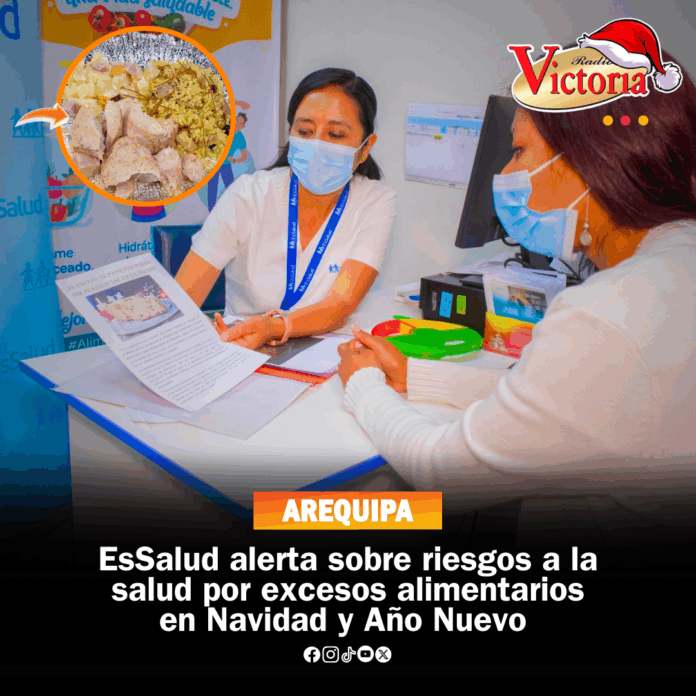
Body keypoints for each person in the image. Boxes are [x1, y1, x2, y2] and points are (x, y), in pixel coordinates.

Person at [336, 51, 696, 541]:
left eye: (519, 150)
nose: (505, 172)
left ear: (588, 161)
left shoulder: (608, 315)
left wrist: (362, 384)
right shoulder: (672, 268)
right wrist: (416, 376)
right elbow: (569, 400)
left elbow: (442, 471)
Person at [176, 68, 397, 350]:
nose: (317, 144)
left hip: (323, 352)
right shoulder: (249, 194)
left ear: (365, 148)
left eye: (336, 134)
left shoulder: (375, 200)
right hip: (241, 348)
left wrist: (274, 327)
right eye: (305, 131)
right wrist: (192, 329)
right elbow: (182, 300)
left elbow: (341, 303)